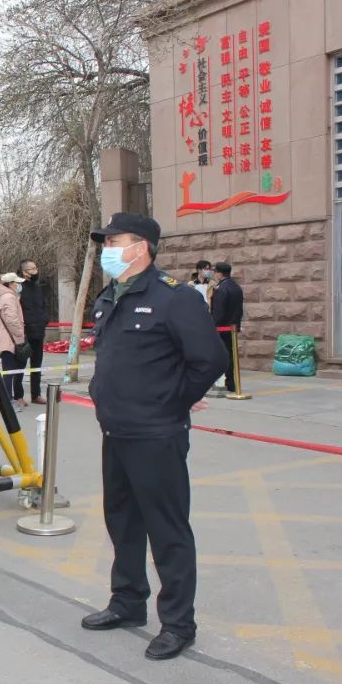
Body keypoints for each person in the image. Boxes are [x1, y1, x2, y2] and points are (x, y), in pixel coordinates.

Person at [84, 213, 226, 661]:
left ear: (140, 246)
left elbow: (210, 360)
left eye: (114, 242)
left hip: (156, 434)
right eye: (105, 243)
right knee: (123, 523)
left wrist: (173, 401)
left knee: (167, 531)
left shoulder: (174, 298)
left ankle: (178, 624)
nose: (107, 249)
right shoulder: (110, 297)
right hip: (116, 430)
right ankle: (127, 602)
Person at [0, 273, 30, 405]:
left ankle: (9, 399)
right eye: (16, 282)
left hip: (8, 339)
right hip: (11, 340)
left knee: (11, 371)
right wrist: (20, 333)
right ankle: (7, 401)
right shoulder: (9, 297)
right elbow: (11, 319)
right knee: (10, 372)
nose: (18, 285)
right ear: (10, 284)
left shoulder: (6, 296)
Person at [17, 259, 49, 405]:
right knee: (20, 364)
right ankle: (18, 395)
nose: (35, 271)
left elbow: (43, 305)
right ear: (24, 272)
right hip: (25, 332)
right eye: (32, 269)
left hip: (39, 330)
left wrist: (44, 319)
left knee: (37, 364)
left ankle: (36, 395)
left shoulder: (38, 287)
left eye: (36, 268)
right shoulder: (18, 287)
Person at [210, 262, 244, 393]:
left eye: (215, 272)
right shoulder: (236, 287)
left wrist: (213, 326)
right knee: (231, 354)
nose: (214, 274)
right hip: (232, 327)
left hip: (222, 327)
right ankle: (231, 382)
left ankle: (223, 382)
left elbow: (219, 311)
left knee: (222, 355)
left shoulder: (222, 289)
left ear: (220, 273)